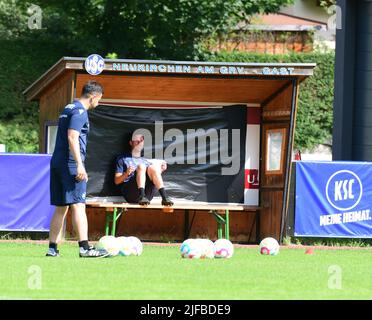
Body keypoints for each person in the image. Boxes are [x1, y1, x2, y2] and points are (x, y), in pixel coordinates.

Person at [46, 81, 109, 258]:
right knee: (79, 205)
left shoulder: (68, 107)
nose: (98, 103)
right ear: (94, 96)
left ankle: (52, 248)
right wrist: (80, 163)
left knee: (61, 207)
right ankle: (85, 248)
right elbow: (72, 137)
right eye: (99, 99)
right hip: (71, 164)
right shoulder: (80, 112)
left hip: (57, 162)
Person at [114, 133, 174, 206]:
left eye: (141, 140)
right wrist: (126, 173)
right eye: (136, 140)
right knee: (141, 166)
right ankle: (142, 196)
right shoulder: (122, 158)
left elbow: (154, 175)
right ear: (131, 142)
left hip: (148, 195)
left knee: (153, 167)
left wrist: (160, 169)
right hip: (131, 193)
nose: (139, 142)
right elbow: (117, 181)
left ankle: (164, 198)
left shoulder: (146, 159)